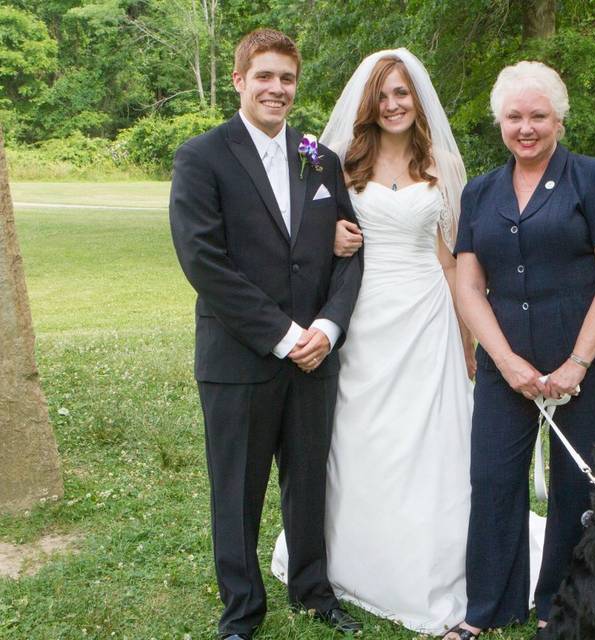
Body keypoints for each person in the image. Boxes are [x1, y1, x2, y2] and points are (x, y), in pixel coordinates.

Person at [269, 49, 551, 635]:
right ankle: (355, 559)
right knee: (363, 433)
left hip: (427, 312)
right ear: (368, 103)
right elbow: (303, 239)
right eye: (384, 94)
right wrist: (335, 240)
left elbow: (452, 261)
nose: (393, 104)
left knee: (433, 439)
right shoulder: (339, 162)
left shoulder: (444, 163)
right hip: (363, 311)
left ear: (417, 101)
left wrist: (468, 336)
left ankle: (440, 565)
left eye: (403, 94)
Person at [169, 29, 363, 640]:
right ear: (239, 81)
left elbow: (352, 250)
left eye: (286, 78)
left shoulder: (319, 156)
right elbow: (204, 260)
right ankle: (242, 610)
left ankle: (312, 591)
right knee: (238, 490)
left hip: (316, 356)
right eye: (264, 77)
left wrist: (328, 328)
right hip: (241, 355)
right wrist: (285, 335)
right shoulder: (202, 156)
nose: (276, 89)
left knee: (309, 482)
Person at [448, 61, 595, 640]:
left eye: (538, 116)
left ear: (559, 120)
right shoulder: (479, 191)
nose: (526, 127)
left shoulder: (594, 177)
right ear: (498, 122)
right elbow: (468, 284)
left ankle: (561, 608)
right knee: (492, 478)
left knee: (577, 487)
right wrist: (505, 362)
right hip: (509, 366)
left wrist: (576, 363)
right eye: (514, 117)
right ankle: (486, 610)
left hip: (592, 363)